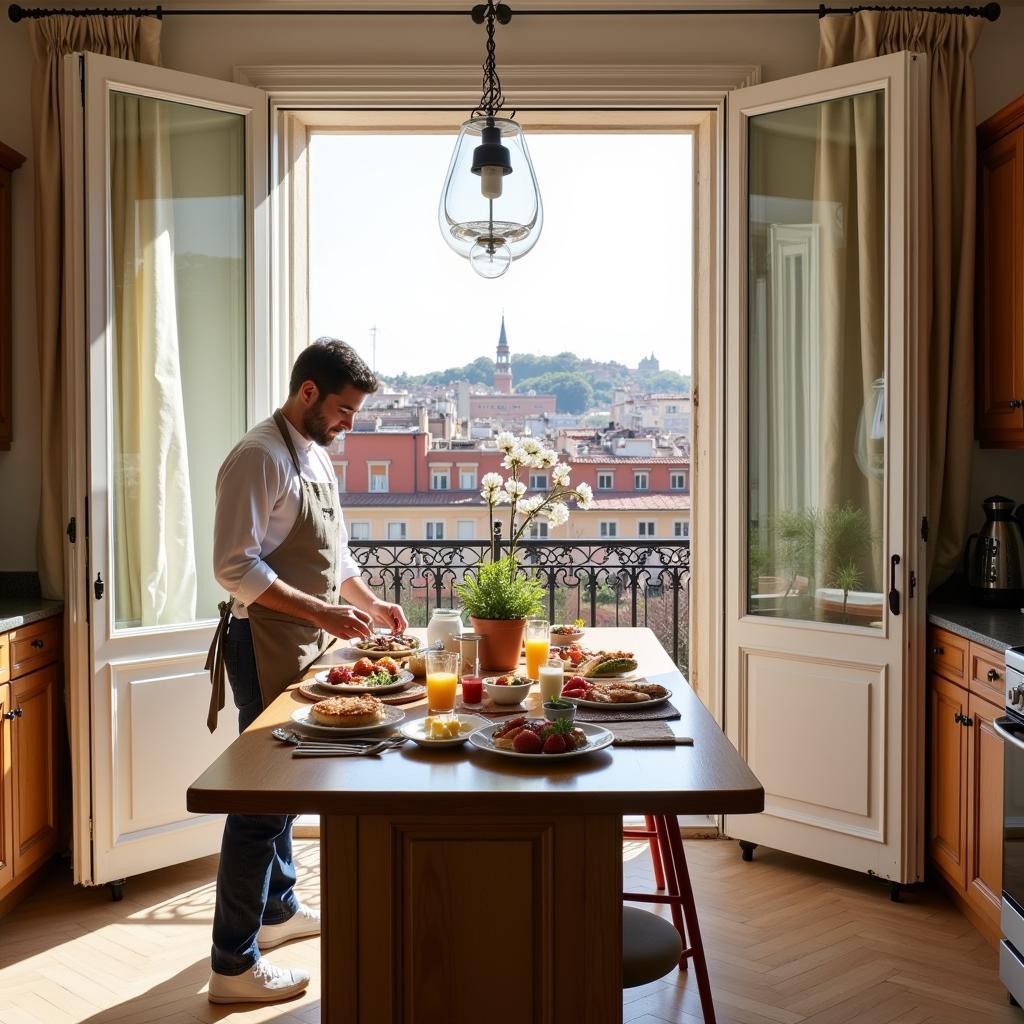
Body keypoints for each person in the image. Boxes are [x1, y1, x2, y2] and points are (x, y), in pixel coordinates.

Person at [204, 338, 408, 1004]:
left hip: (305, 640)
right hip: (262, 640)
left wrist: (368, 601)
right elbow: (235, 566)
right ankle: (231, 966)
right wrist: (324, 615)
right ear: (310, 393)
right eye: (346, 409)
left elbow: (334, 555)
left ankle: (279, 909)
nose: (351, 423)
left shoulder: (314, 455)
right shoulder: (258, 457)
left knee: (288, 791)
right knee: (261, 802)